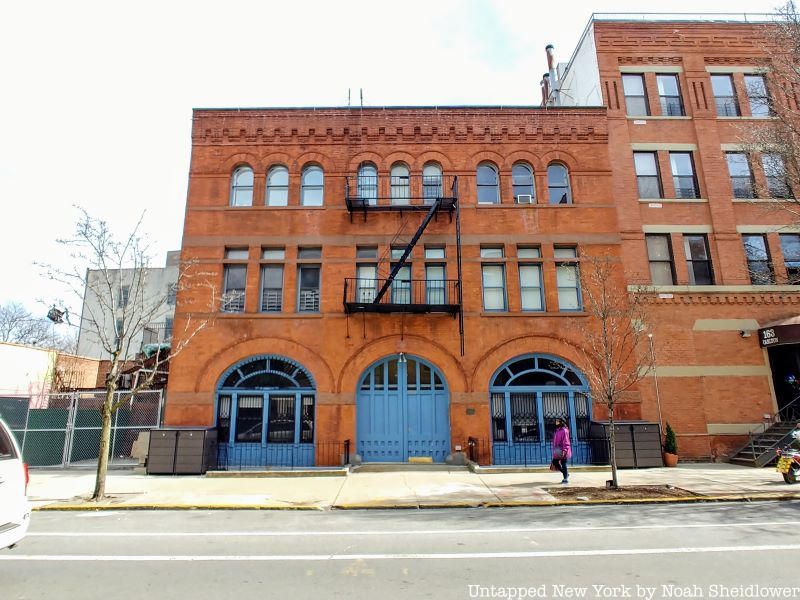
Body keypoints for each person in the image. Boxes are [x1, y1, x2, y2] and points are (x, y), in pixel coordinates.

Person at [552, 418, 572, 484]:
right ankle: (565, 473)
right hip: (558, 449)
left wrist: (564, 450)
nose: (556, 422)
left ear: (561, 422)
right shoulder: (557, 430)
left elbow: (566, 441)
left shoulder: (564, 430)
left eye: (557, 421)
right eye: (556, 421)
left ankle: (565, 479)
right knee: (555, 462)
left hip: (563, 449)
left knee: (563, 463)